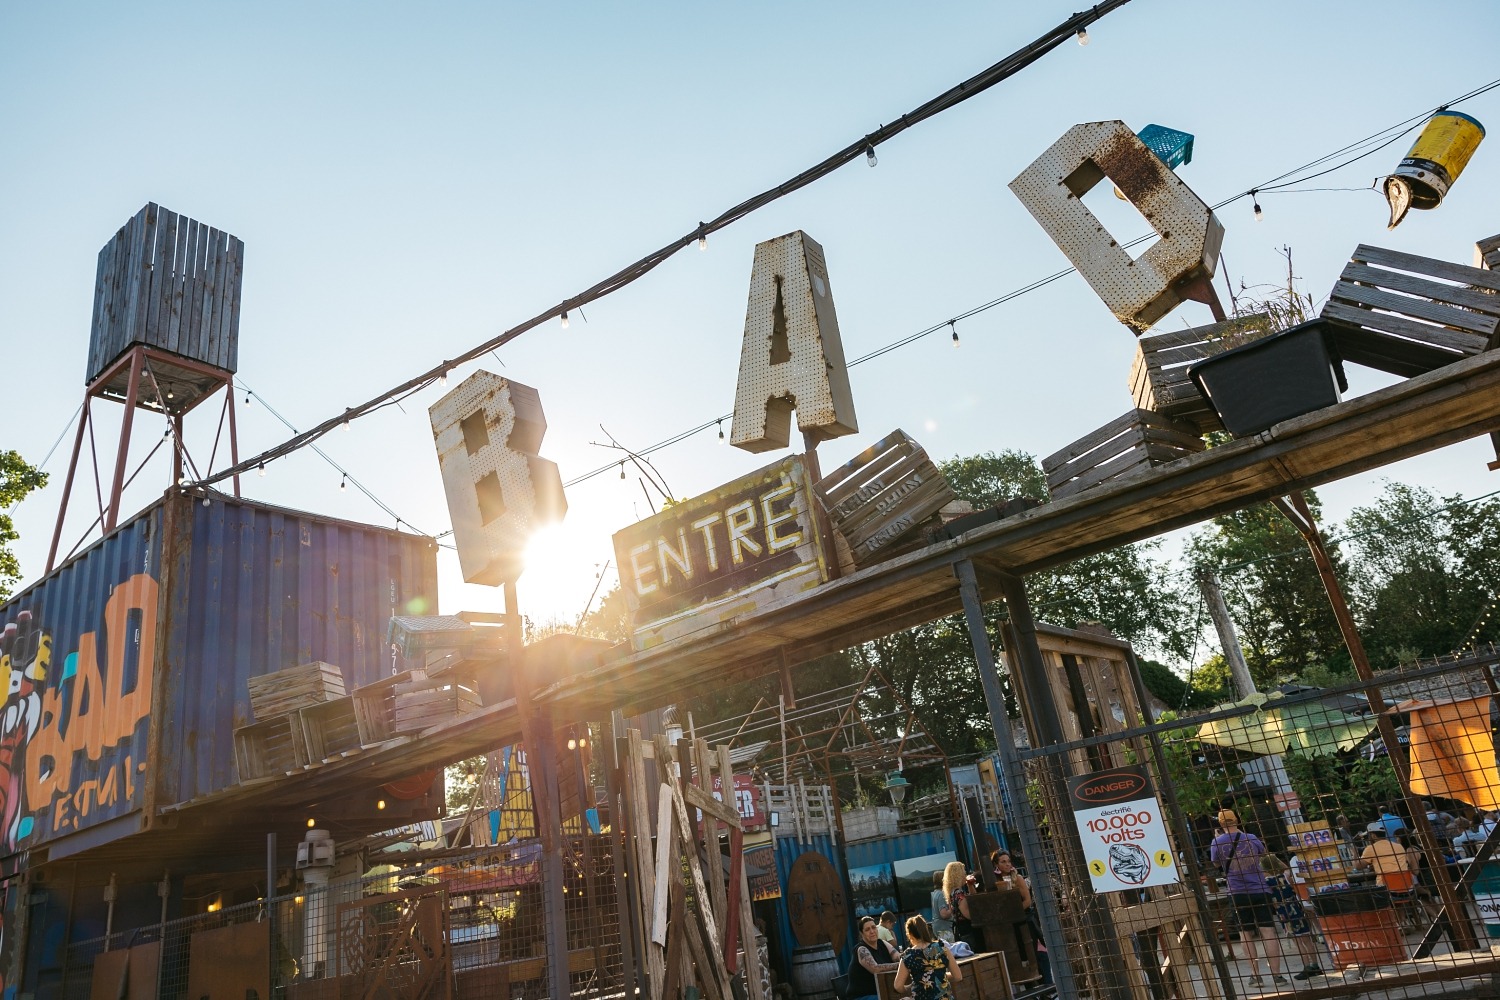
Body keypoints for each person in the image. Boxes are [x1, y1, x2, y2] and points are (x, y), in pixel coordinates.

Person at [1210, 809, 1285, 987]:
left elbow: (1216, 863)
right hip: (1259, 889)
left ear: (1220, 824)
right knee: (1268, 932)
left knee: (1245, 933)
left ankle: (1255, 975)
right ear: (1236, 820)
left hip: (1237, 892)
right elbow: (1263, 855)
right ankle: (1277, 975)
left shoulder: (1216, 842)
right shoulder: (1251, 837)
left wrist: (1218, 838)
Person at [1262, 855, 1324, 980]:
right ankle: (1315, 965)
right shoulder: (1285, 875)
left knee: (1297, 941)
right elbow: (1286, 868)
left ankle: (1306, 966)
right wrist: (1277, 861)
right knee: (1307, 939)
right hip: (1296, 908)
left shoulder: (1266, 882)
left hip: (1283, 912)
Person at [894, 915, 962, 1000]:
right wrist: (938, 975)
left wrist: (907, 988)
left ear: (910, 934)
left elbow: (898, 986)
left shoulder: (908, 955)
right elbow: (958, 976)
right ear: (926, 929)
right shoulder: (941, 947)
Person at [846, 915, 898, 1000]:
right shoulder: (861, 949)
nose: (872, 931)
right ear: (861, 933)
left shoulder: (882, 943)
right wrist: (899, 965)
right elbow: (875, 969)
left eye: (874, 927)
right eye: (867, 929)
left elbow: (897, 956)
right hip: (862, 996)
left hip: (880, 993)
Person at [941, 861, 980, 952]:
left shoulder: (952, 892)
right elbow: (968, 914)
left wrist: (970, 885)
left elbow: (974, 897)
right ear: (958, 875)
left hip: (961, 931)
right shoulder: (959, 893)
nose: (965, 874)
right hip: (968, 931)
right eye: (964, 872)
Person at [928, 871, 954, 941]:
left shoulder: (935, 893)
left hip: (938, 928)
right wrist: (952, 908)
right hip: (944, 929)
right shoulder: (941, 894)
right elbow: (944, 914)